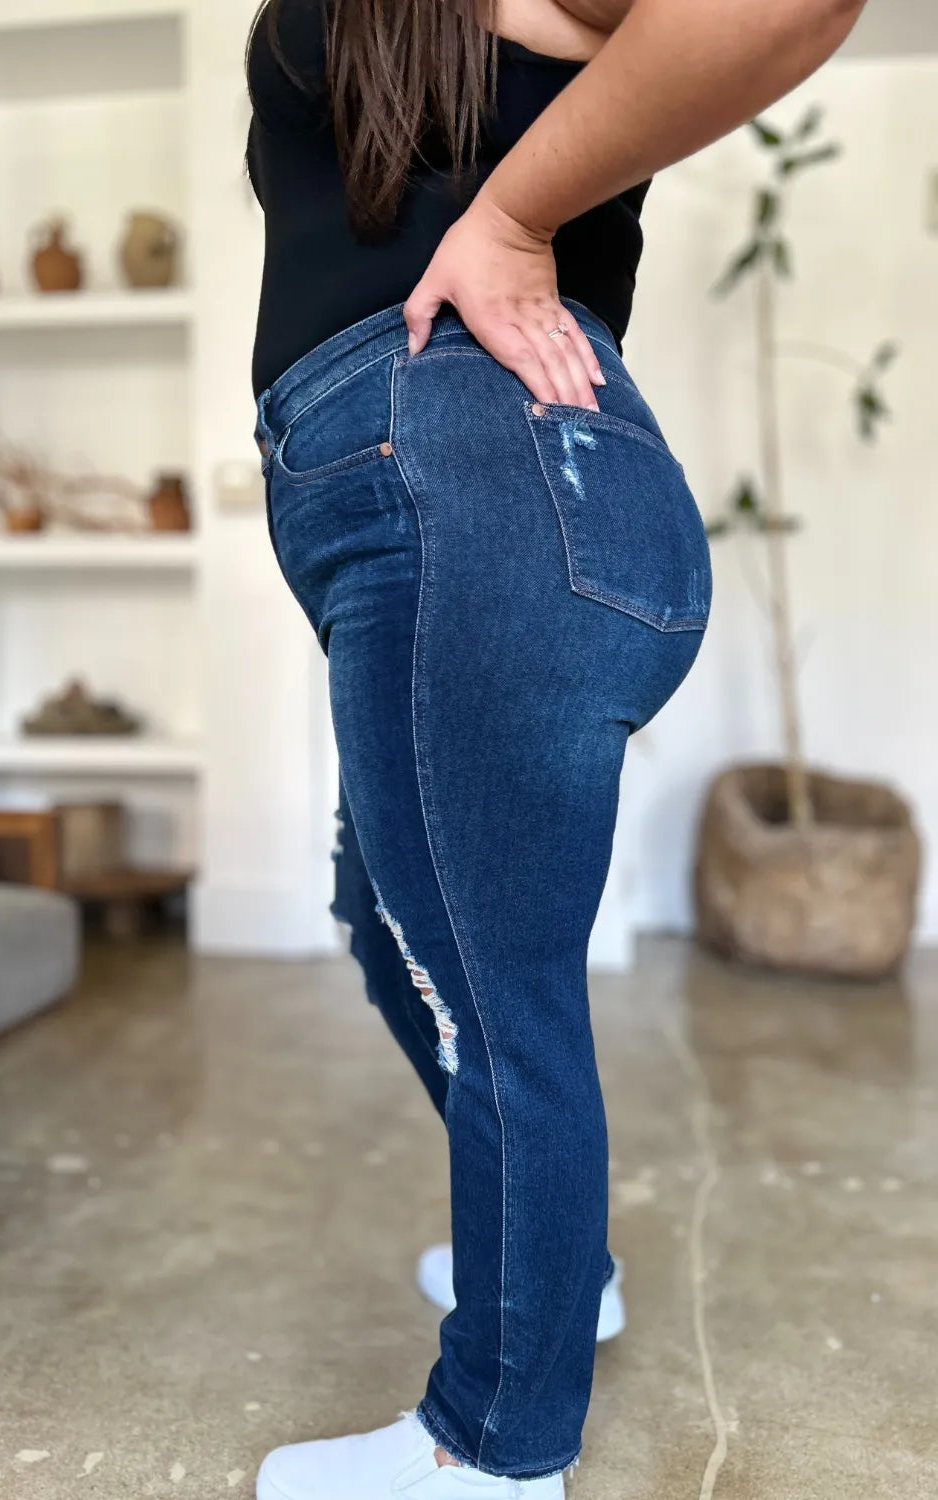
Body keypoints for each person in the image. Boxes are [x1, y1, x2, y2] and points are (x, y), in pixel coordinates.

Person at [247, 1, 866, 1494]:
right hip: (460, 501)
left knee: (498, 999)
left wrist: (516, 213)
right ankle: (556, 1269)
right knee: (385, 923)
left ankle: (495, 1445)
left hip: (479, 487)